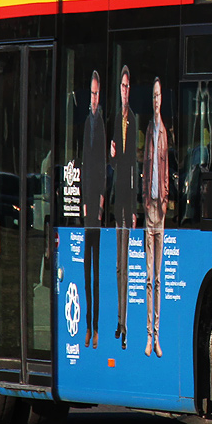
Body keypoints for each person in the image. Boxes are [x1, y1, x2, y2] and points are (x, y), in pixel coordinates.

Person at [109, 65, 137, 350]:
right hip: (117, 202)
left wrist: (134, 206)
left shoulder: (135, 120)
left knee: (127, 267)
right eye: (122, 86)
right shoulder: (116, 118)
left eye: (128, 86)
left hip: (128, 202)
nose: (125, 90)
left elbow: (134, 165)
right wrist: (112, 155)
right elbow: (116, 164)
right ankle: (119, 321)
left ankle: (126, 323)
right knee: (119, 267)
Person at [142, 77, 168, 357]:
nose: (156, 100)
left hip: (161, 210)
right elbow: (146, 166)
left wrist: (165, 200)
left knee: (159, 278)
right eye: (153, 96)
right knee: (149, 278)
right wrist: (145, 201)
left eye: (159, 95)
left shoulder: (164, 132)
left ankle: (157, 336)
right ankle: (149, 336)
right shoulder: (150, 129)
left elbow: (166, 165)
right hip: (149, 209)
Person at [81, 71, 106, 349]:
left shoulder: (101, 125)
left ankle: (96, 327)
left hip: (97, 205)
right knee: (86, 269)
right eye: (91, 93)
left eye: (97, 94)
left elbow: (101, 166)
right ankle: (87, 325)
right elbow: (86, 164)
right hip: (87, 201)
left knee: (97, 271)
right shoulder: (87, 123)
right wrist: (86, 200)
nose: (94, 98)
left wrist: (99, 201)